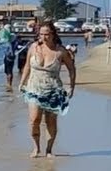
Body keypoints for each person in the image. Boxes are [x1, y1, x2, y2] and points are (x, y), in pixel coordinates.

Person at [19, 20, 76, 158]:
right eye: (41, 34)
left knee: (51, 122)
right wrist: (22, 82)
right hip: (34, 88)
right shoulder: (33, 47)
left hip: (53, 90)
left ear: (53, 34)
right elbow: (27, 65)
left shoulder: (60, 51)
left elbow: (72, 69)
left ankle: (49, 150)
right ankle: (36, 147)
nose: (43, 37)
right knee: (34, 121)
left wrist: (71, 86)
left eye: (46, 34)